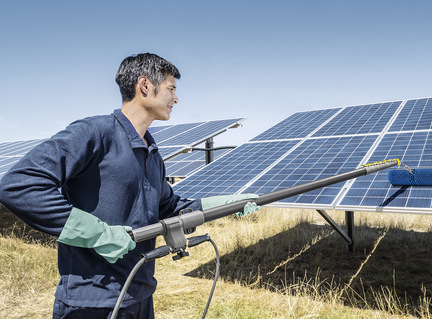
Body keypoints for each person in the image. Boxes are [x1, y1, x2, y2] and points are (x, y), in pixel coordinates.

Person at [0, 53, 259, 318]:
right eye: (171, 89)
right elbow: (18, 186)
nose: (176, 98)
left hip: (141, 294)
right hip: (91, 300)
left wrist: (219, 205)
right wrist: (95, 233)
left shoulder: (152, 152)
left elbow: (167, 208)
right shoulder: (94, 133)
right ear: (145, 86)